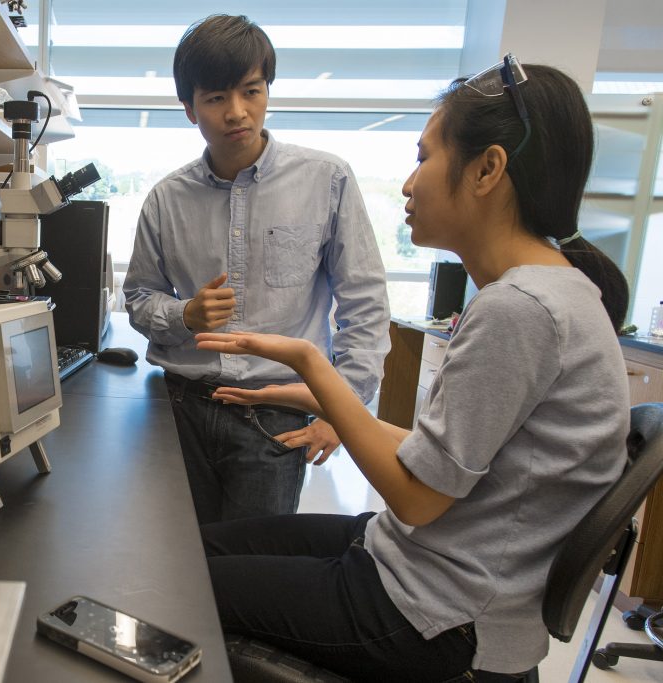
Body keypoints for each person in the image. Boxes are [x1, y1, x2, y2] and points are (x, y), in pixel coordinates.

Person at [194, 57, 631, 681]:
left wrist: (316, 368)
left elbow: (419, 498)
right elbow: (448, 463)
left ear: (487, 170)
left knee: (179, 584)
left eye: (423, 157)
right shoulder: (555, 293)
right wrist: (321, 401)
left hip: (439, 613)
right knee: (197, 547)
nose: (408, 183)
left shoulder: (521, 310)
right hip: (425, 565)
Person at [123, 14, 390, 524]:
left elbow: (365, 305)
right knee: (176, 565)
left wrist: (343, 412)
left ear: (268, 90)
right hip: (181, 410)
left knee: (251, 569)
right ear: (189, 108)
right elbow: (138, 297)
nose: (237, 112)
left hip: (276, 415)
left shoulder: (326, 179)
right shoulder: (166, 199)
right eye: (216, 98)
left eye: (251, 91)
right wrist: (185, 315)